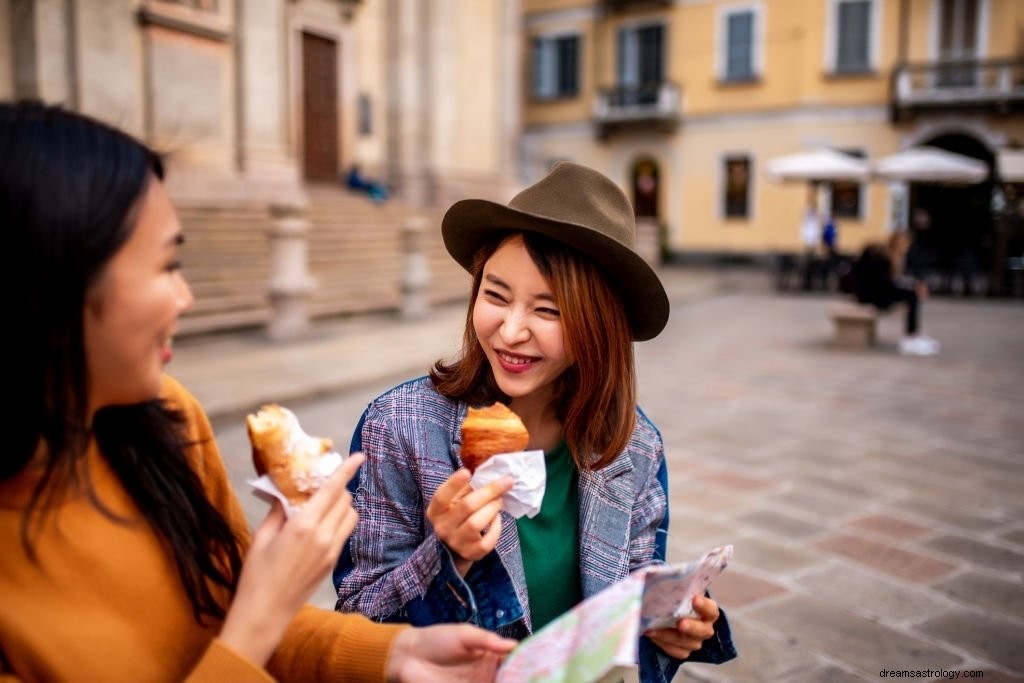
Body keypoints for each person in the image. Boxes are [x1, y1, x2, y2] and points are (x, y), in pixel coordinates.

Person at [0, 101, 515, 681]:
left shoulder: (167, 418)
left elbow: (228, 618)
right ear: (49, 285)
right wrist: (266, 605)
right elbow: (248, 624)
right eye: (166, 265)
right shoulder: (397, 422)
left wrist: (393, 654)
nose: (185, 299)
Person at [333, 162, 736, 683]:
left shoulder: (634, 448)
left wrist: (668, 630)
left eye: (548, 310)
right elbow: (357, 622)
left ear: (600, 326)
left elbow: (625, 613)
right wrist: (447, 557)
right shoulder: (399, 428)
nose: (510, 330)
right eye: (495, 295)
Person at [850, 234, 940, 356]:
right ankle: (911, 337)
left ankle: (913, 334)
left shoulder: (885, 257)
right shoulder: (883, 258)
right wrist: (911, 287)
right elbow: (886, 283)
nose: (907, 248)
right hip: (870, 296)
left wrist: (911, 285)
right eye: (905, 244)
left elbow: (890, 281)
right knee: (911, 296)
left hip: (871, 293)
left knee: (911, 294)